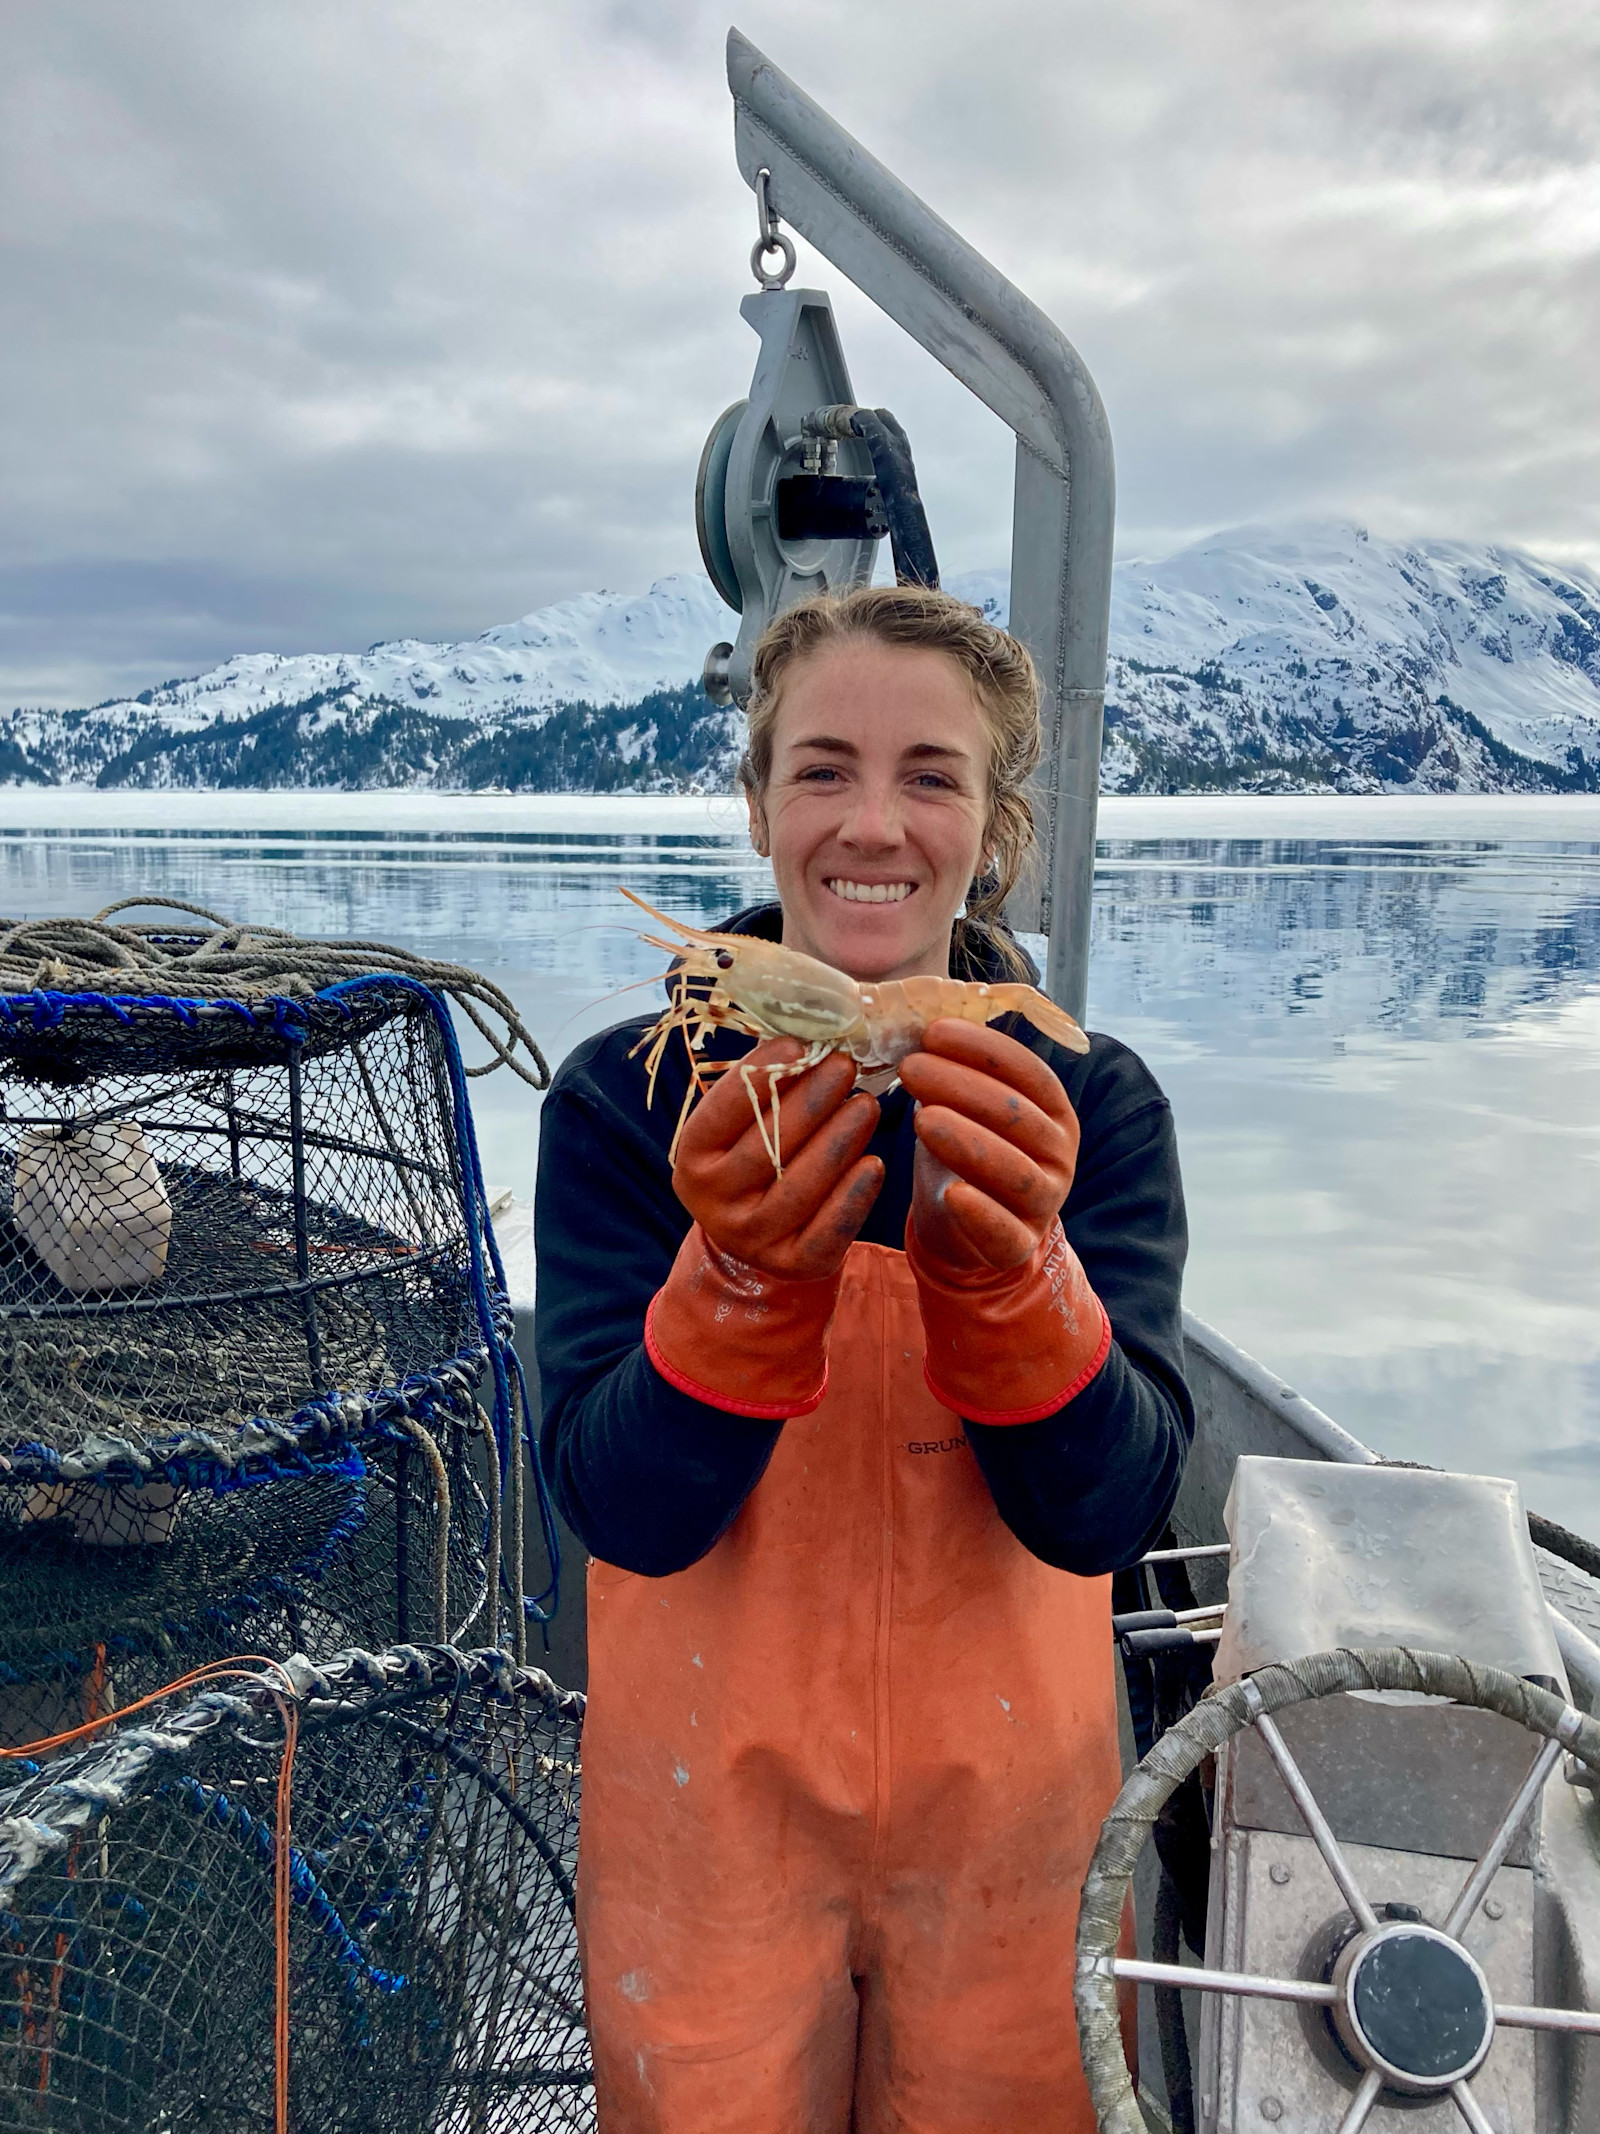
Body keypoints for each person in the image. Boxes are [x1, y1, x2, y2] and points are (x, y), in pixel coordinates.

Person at [534, 584, 1193, 2134]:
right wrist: (743, 1281)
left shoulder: (1090, 1108)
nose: (872, 823)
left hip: (1013, 1840)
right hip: (706, 1828)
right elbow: (620, 1506)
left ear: (994, 824)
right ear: (759, 803)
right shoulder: (627, 1105)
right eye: (821, 768)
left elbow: (1103, 1514)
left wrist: (1020, 1279)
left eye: (932, 776)